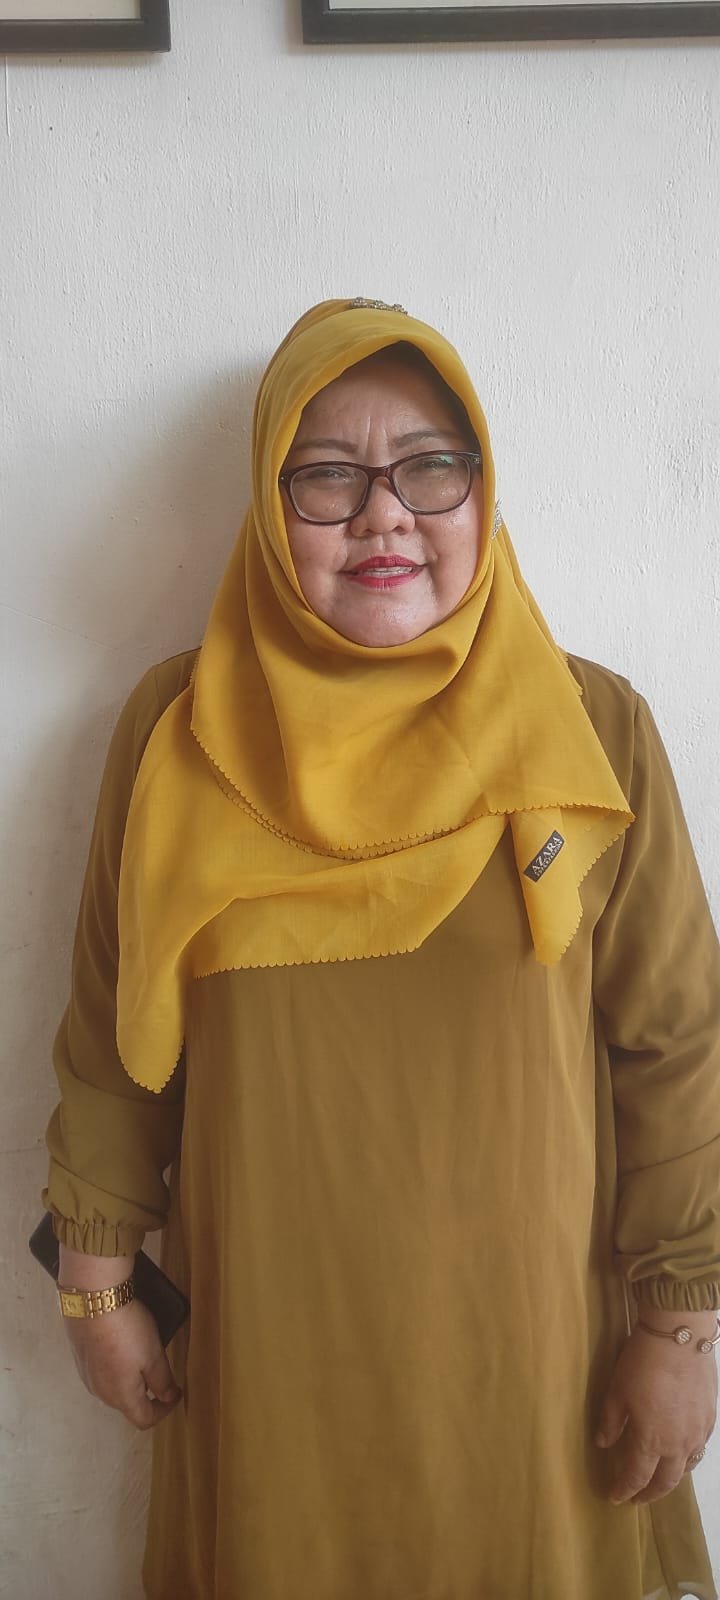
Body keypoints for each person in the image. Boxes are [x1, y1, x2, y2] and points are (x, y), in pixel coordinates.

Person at [45, 297, 720, 1600]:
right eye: (327, 476)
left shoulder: (588, 730)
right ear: (267, 505)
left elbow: (678, 1048)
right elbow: (114, 1032)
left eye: (429, 467)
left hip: (535, 1368)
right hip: (267, 1354)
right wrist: (93, 1281)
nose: (385, 516)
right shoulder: (180, 730)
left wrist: (682, 1326)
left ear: (483, 493)